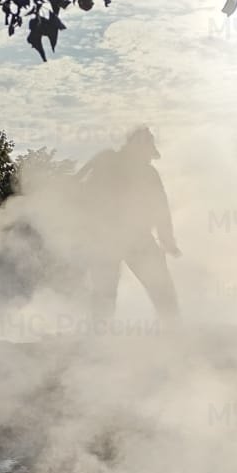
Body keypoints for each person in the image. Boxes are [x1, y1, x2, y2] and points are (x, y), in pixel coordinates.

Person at [76, 126, 181, 325]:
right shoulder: (115, 163)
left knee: (156, 288)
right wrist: (167, 240)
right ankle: (172, 331)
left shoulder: (111, 161)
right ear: (139, 148)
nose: (149, 158)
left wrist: (167, 240)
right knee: (157, 289)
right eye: (147, 152)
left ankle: (171, 333)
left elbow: (160, 209)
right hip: (114, 238)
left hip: (121, 238)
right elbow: (161, 209)